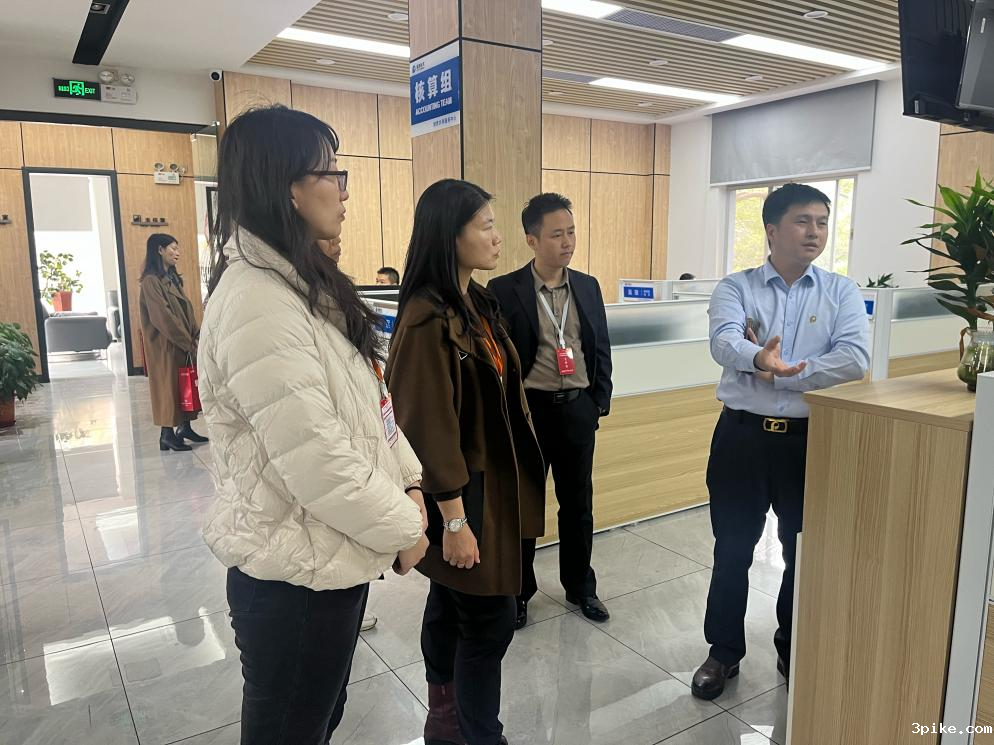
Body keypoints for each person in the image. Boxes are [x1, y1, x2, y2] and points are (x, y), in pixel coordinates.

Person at [197, 105, 428, 745]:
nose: (344, 191)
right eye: (331, 173)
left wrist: (409, 479)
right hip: (291, 580)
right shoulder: (257, 301)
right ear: (289, 189)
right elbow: (316, 458)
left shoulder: (300, 286)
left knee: (317, 720)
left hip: (326, 559)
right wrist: (407, 526)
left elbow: (369, 406)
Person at [691, 183, 870, 701]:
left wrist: (784, 374)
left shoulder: (840, 291)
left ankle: (793, 644)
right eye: (802, 221)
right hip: (741, 439)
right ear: (771, 230)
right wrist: (757, 358)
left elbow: (854, 358)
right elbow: (724, 341)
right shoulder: (737, 287)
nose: (815, 231)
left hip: (809, 441)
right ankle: (723, 651)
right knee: (732, 550)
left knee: (802, 550)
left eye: (822, 221)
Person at [386, 179, 545, 745]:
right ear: (450, 235)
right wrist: (454, 520)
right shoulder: (426, 318)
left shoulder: (476, 303)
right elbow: (427, 426)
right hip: (460, 493)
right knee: (488, 622)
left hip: (489, 486)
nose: (498, 237)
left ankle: (445, 722)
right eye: (486, 226)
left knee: (451, 605)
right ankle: (479, 734)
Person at [488, 193, 613, 629]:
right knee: (524, 507)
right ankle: (520, 593)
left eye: (571, 232)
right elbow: (497, 360)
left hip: (577, 410)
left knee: (578, 505)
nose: (567, 242)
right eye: (557, 234)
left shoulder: (588, 286)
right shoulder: (504, 290)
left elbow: (599, 346)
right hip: (530, 414)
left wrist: (598, 402)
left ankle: (581, 587)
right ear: (532, 240)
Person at [318, 235, 380, 635]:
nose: (339, 233)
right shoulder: (273, 302)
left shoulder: (330, 294)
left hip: (347, 530)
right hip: (310, 548)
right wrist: (406, 528)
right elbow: (315, 452)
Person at [139, 233, 209, 452]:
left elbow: (185, 308)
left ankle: (184, 427)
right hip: (166, 345)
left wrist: (195, 334)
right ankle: (166, 435)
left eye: (178, 249)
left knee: (183, 386)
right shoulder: (151, 281)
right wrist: (186, 341)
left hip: (180, 343)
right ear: (159, 250)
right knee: (168, 388)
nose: (177, 253)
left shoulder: (171, 277)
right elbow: (163, 317)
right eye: (173, 248)